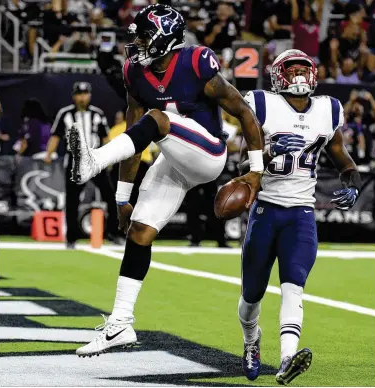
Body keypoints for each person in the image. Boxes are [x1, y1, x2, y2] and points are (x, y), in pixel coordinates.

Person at [69, 3, 264, 357]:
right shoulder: (135, 73)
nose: (138, 43)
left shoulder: (196, 62)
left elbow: (244, 112)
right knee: (140, 232)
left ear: (164, 39)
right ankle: (120, 324)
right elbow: (133, 138)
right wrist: (122, 199)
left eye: (145, 36)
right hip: (173, 160)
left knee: (160, 120)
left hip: (208, 155)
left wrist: (255, 169)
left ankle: (93, 160)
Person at [239, 49, 361, 385]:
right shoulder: (262, 104)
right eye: (291, 70)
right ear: (278, 76)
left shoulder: (327, 109)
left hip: (301, 214)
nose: (298, 77)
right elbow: (239, 163)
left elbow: (343, 158)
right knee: (251, 296)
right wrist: (266, 151)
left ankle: (287, 360)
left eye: (302, 70)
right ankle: (251, 342)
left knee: (294, 285)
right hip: (265, 209)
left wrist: (353, 182)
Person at [44, 81, 124, 248]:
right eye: (79, 94)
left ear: (90, 95)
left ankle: (113, 233)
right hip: (75, 160)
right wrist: (48, 154)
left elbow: (104, 138)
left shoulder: (97, 114)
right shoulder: (65, 114)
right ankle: (72, 237)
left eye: (85, 94)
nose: (82, 97)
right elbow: (56, 136)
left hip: (95, 158)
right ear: (74, 96)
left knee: (110, 196)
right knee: (72, 200)